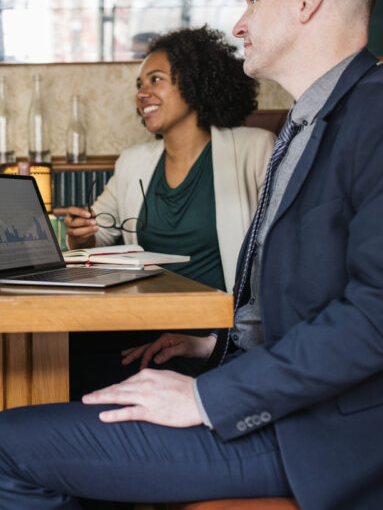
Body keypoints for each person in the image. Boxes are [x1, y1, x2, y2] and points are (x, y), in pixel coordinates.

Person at [0, 0, 383, 509]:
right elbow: (302, 299)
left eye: (254, 1)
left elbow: (382, 316)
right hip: (281, 401)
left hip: (327, 438)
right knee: (72, 394)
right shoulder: (308, 123)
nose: (239, 26)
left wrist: (203, 396)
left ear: (307, 0)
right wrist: (211, 346)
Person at [66, 27, 274, 400]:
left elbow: (275, 260)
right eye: (139, 83)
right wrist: (80, 233)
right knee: (53, 354)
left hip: (214, 336)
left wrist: (215, 338)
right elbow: (99, 231)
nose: (141, 93)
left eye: (156, 80)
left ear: (194, 84)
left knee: (71, 376)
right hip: (140, 322)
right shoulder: (133, 162)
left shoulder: (253, 149)